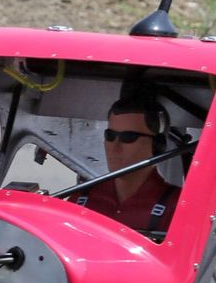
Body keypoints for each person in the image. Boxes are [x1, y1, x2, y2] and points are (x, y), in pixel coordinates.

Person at [72, 95, 179, 242]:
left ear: (156, 146)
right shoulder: (80, 198)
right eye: (110, 136)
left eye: (128, 137)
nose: (114, 147)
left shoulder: (176, 207)